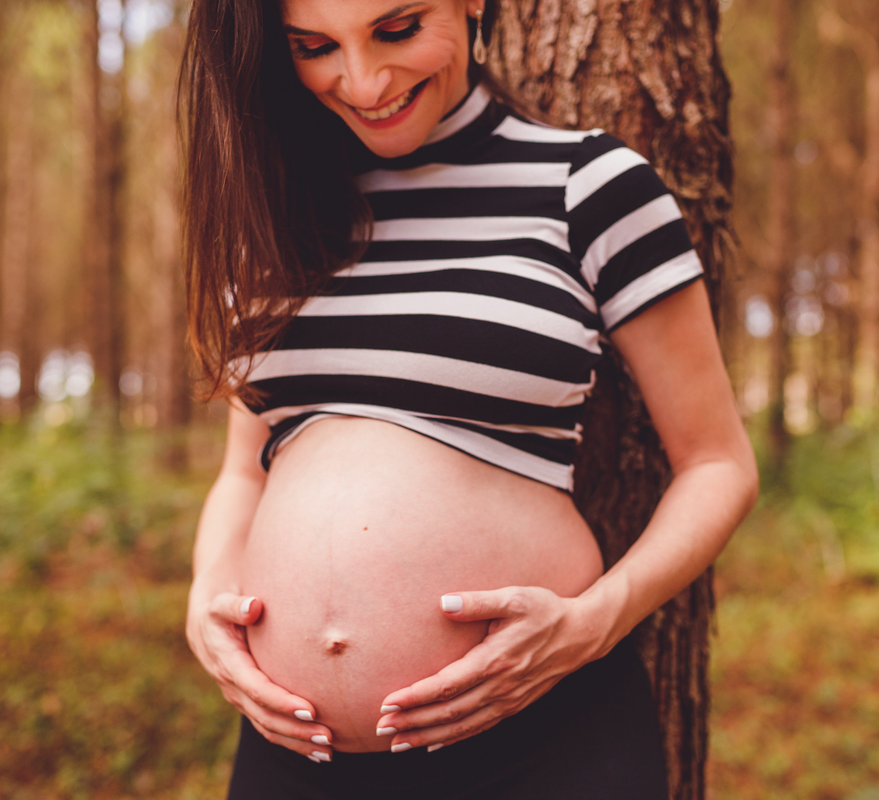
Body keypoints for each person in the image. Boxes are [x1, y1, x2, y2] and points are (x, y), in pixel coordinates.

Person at [180, 0, 758, 797]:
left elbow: (718, 463)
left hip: (539, 742)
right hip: (294, 753)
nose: (364, 80)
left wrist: (596, 622)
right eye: (314, 47)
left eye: (398, 29)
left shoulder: (586, 185)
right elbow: (247, 472)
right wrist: (205, 599)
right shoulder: (268, 206)